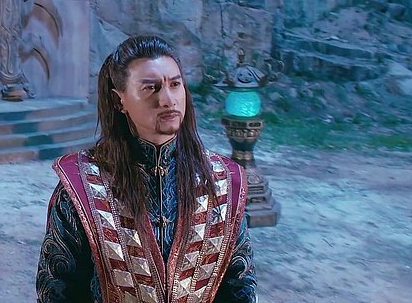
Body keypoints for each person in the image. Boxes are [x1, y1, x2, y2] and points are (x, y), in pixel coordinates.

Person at [36, 35, 257, 302]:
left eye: (175, 84)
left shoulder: (221, 182)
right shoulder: (83, 185)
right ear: (119, 101)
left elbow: (239, 287)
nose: (168, 99)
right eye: (151, 88)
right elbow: (57, 291)